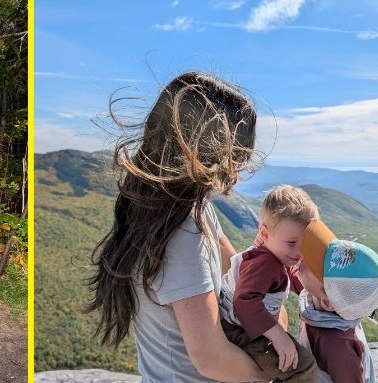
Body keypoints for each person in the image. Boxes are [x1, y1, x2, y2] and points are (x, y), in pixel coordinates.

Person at [87, 71, 272, 382]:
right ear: (211, 149)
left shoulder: (174, 210)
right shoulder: (184, 234)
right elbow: (211, 360)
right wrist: (278, 374)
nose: (238, 171)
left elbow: (237, 271)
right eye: (238, 156)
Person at [217, 185, 318, 382]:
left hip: (247, 324)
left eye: (304, 243)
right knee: (302, 367)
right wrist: (279, 336)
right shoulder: (263, 264)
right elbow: (244, 302)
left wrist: (317, 289)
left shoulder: (275, 251)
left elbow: (292, 276)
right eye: (292, 243)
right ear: (264, 234)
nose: (299, 252)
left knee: (289, 359)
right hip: (237, 328)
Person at [291, 219, 378, 383]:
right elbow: (293, 275)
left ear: (328, 302)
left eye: (314, 264)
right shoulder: (320, 297)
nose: (303, 256)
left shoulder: (337, 345)